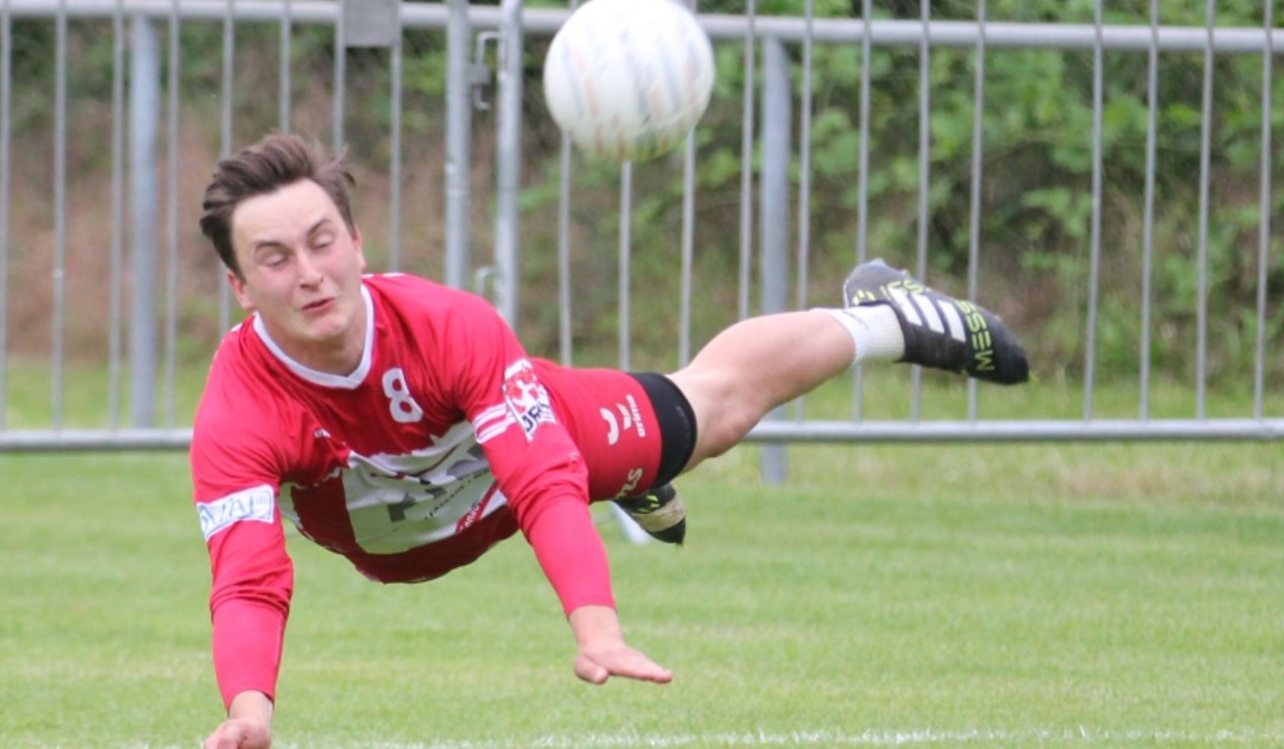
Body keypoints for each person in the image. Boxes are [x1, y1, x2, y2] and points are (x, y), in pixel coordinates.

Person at [192, 133, 1029, 749]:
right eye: (275, 258)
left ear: (356, 242)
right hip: (408, 540)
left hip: (530, 454)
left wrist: (596, 629)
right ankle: (627, 476)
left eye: (322, 241)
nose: (309, 273)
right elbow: (249, 580)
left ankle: (884, 319)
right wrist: (250, 711)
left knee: (714, 412)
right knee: (642, 444)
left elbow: (542, 479)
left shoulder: (449, 328)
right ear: (240, 286)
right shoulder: (238, 410)